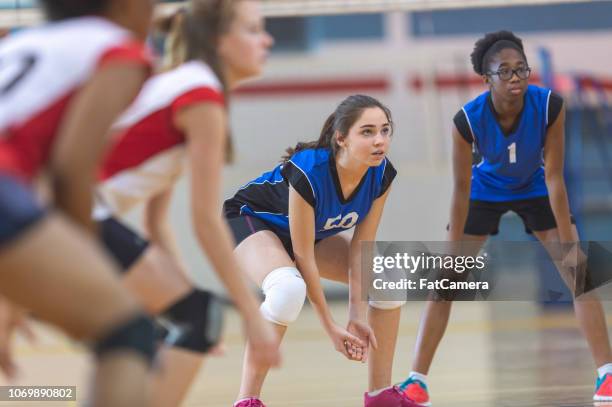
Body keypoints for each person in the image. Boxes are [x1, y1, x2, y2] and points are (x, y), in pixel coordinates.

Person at [401, 30, 612, 406]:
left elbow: (555, 176)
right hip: (484, 191)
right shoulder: (466, 120)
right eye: (505, 71)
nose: (515, 77)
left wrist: (568, 239)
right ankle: (417, 381)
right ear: (487, 77)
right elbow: (461, 189)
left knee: (579, 273)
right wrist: (451, 251)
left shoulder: (550, 106)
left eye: (521, 69)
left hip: (535, 186)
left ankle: (606, 374)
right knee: (445, 282)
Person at [94, 1, 280, 405]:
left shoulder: (180, 84)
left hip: (73, 217)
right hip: (72, 218)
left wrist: (178, 298)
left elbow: (157, 222)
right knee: (196, 318)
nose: (268, 39)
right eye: (253, 30)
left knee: (165, 326)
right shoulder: (200, 98)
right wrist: (252, 315)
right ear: (218, 41)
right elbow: (205, 222)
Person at [0, 1, 156, 406]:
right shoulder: (118, 50)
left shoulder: (21, 43)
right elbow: (70, 170)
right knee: (128, 331)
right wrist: (90, 264)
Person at [224, 94, 417, 407]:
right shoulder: (310, 171)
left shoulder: (380, 174)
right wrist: (330, 327)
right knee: (287, 289)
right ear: (341, 138)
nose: (379, 140)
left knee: (388, 278)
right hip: (249, 221)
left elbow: (361, 248)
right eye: (367, 132)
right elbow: (303, 257)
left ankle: (381, 395)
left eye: (385, 130)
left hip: (310, 235)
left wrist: (357, 314)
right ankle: (247, 400)